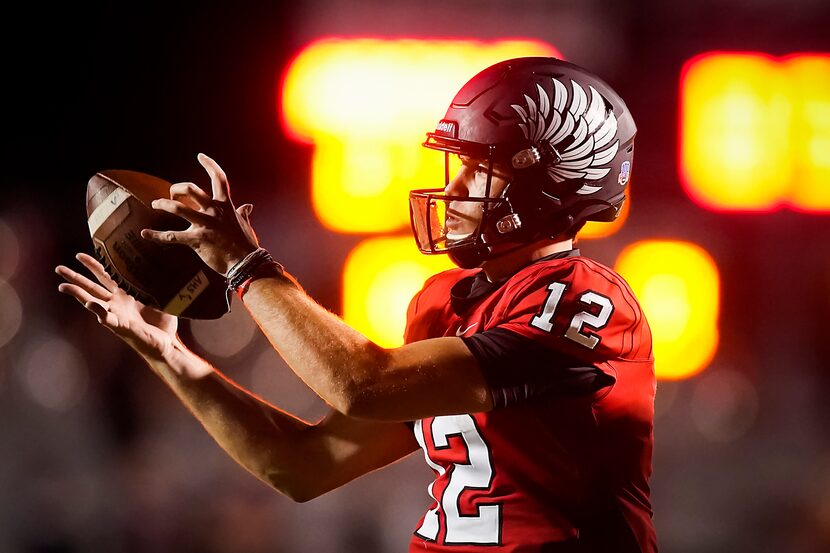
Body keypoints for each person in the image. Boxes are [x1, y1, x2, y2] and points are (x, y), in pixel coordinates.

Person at [56, 57, 656, 552]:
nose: (453, 188)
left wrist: (246, 266)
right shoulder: (445, 304)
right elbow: (302, 465)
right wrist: (168, 352)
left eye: (480, 170)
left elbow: (362, 384)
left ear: (546, 181)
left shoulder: (586, 302)